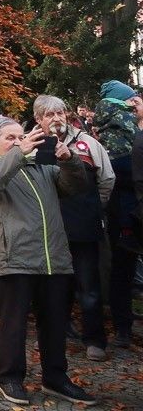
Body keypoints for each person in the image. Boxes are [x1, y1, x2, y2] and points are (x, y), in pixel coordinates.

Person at [0, 116, 96, 407]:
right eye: (10, 138)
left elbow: (75, 186)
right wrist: (18, 152)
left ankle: (56, 377)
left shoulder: (41, 166)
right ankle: (10, 377)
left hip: (53, 256)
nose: (18, 142)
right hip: (14, 256)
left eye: (20, 136)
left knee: (54, 321)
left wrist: (68, 159)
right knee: (13, 323)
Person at [33, 95, 115, 361]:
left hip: (82, 227)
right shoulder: (30, 146)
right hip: (47, 230)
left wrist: (92, 209)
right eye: (49, 115)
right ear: (38, 120)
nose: (56, 119)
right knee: (52, 288)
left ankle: (94, 340)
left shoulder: (88, 143)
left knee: (88, 285)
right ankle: (54, 337)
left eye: (60, 113)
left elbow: (107, 180)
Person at [92, 78, 142, 349]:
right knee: (122, 269)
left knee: (122, 270)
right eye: (133, 99)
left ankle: (124, 325)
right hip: (126, 212)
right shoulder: (121, 127)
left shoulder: (118, 125)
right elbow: (117, 171)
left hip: (125, 209)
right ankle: (122, 328)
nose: (136, 103)